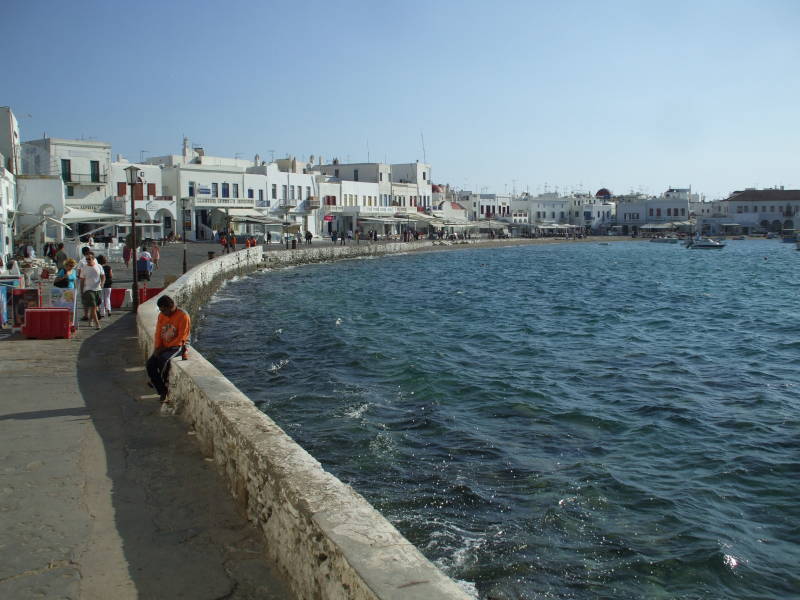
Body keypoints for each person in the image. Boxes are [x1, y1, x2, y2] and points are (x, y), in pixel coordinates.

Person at [146, 295, 191, 402]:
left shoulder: (183, 316)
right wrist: (158, 347)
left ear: (171, 306)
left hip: (179, 345)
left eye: (164, 310)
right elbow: (158, 333)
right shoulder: (161, 315)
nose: (163, 313)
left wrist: (164, 349)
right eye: (161, 310)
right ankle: (161, 390)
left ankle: (159, 385)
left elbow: (182, 337)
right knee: (150, 364)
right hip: (165, 345)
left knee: (164, 360)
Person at [79, 253, 105, 330]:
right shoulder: (84, 268)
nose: (87, 260)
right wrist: (81, 290)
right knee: (93, 306)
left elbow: (103, 276)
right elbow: (82, 280)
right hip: (88, 289)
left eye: (89, 259)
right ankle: (97, 324)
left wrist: (102, 283)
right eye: (86, 259)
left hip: (97, 289)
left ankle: (90, 320)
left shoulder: (99, 266)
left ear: (93, 259)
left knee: (94, 307)